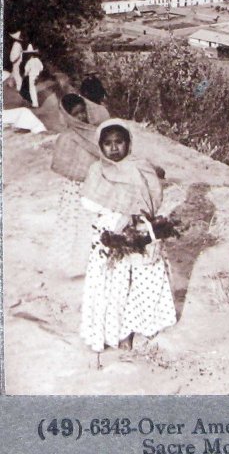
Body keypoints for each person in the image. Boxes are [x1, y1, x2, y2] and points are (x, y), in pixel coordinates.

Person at [79, 119, 177, 353]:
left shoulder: (140, 167)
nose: (114, 148)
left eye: (119, 142)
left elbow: (153, 197)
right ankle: (116, 332)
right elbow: (88, 201)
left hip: (138, 232)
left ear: (128, 143)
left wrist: (135, 215)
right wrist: (117, 209)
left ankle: (138, 327)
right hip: (110, 233)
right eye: (108, 143)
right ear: (100, 146)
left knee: (139, 281)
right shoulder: (97, 170)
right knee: (113, 285)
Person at [50, 94, 106, 276]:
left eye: (83, 112)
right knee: (74, 225)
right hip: (75, 191)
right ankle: (73, 267)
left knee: (94, 225)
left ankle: (95, 264)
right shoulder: (67, 138)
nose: (81, 117)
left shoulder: (95, 133)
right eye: (76, 114)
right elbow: (61, 164)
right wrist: (82, 174)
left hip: (96, 188)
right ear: (68, 115)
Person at [20, 44, 43, 108]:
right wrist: (38, 73)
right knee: (34, 88)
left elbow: (26, 70)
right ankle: (35, 102)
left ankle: (35, 104)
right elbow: (41, 68)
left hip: (32, 76)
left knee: (32, 89)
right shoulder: (38, 60)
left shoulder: (29, 61)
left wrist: (25, 75)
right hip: (37, 76)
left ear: (30, 54)